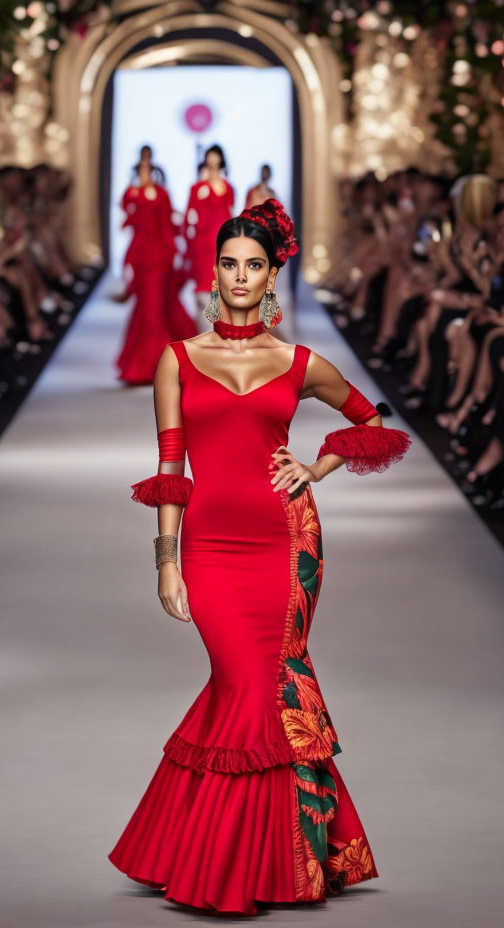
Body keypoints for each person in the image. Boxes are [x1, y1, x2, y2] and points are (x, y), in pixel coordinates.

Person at [108, 198, 412, 915]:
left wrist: (315, 468)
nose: (240, 276)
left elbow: (370, 420)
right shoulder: (177, 359)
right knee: (241, 683)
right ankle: (273, 852)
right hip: (210, 546)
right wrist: (165, 559)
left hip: (287, 542)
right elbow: (171, 464)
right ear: (213, 271)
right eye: (229, 264)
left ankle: (241, 863)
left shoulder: (299, 362)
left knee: (260, 685)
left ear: (272, 275)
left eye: (254, 265)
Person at [115, 158, 196, 385]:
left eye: (146, 170)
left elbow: (167, 224)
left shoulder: (161, 195)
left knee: (156, 309)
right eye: (140, 170)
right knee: (148, 308)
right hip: (142, 256)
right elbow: (128, 214)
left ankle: (158, 365)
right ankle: (148, 366)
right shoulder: (133, 194)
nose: (144, 174)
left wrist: (175, 254)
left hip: (160, 256)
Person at [182, 144, 235, 329]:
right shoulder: (198, 188)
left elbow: (230, 213)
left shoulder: (228, 188)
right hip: (203, 245)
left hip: (222, 244)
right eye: (210, 157)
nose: (213, 161)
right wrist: (189, 244)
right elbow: (189, 217)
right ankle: (203, 336)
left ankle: (219, 332)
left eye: (216, 157)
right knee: (204, 289)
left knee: (221, 289)